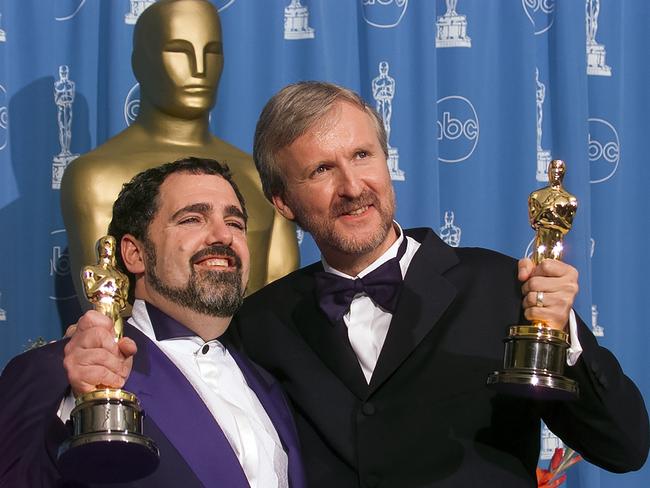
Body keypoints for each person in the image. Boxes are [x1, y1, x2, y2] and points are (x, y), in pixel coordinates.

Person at [233, 81, 649, 487]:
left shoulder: (502, 287)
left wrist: (565, 335)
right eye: (321, 169)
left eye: (362, 155)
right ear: (283, 201)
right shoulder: (259, 326)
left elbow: (623, 447)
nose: (353, 187)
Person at [0, 158, 306, 488]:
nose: (223, 236)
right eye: (192, 219)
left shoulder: (269, 386)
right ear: (135, 254)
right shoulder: (53, 373)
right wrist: (78, 406)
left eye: (235, 223)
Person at [60, 0, 298, 308]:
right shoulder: (95, 177)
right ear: (139, 63)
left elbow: (280, 303)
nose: (199, 69)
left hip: (251, 356)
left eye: (211, 52)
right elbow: (110, 309)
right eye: (179, 51)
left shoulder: (258, 174)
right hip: (145, 355)